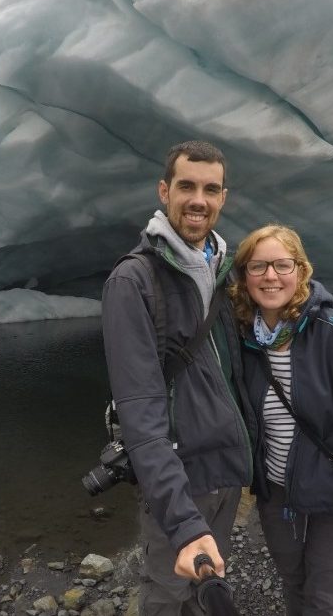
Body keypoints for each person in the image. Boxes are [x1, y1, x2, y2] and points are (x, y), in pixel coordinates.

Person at [101, 141, 252, 614]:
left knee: (202, 593)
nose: (198, 200)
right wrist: (183, 520)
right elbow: (141, 414)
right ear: (164, 191)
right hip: (180, 478)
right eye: (186, 186)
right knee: (167, 592)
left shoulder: (226, 272)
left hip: (227, 475)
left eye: (210, 189)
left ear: (224, 198)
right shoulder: (133, 282)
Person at [229, 224, 333, 616]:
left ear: (301, 272)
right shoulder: (244, 339)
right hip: (276, 495)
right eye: (259, 266)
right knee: (294, 582)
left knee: (325, 602)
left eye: (282, 265)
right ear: (244, 276)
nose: (271, 276)